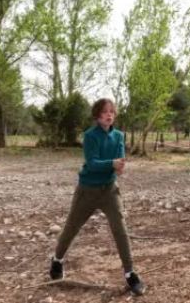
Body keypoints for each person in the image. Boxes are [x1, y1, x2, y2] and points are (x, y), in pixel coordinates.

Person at [49, 98, 145, 296]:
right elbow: (92, 163)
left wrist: (120, 167)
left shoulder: (119, 136)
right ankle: (57, 260)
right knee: (71, 227)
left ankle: (130, 273)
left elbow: (118, 164)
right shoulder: (90, 136)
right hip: (87, 191)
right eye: (104, 111)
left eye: (112, 111)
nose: (109, 114)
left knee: (120, 229)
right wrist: (112, 163)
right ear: (97, 115)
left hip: (110, 191)